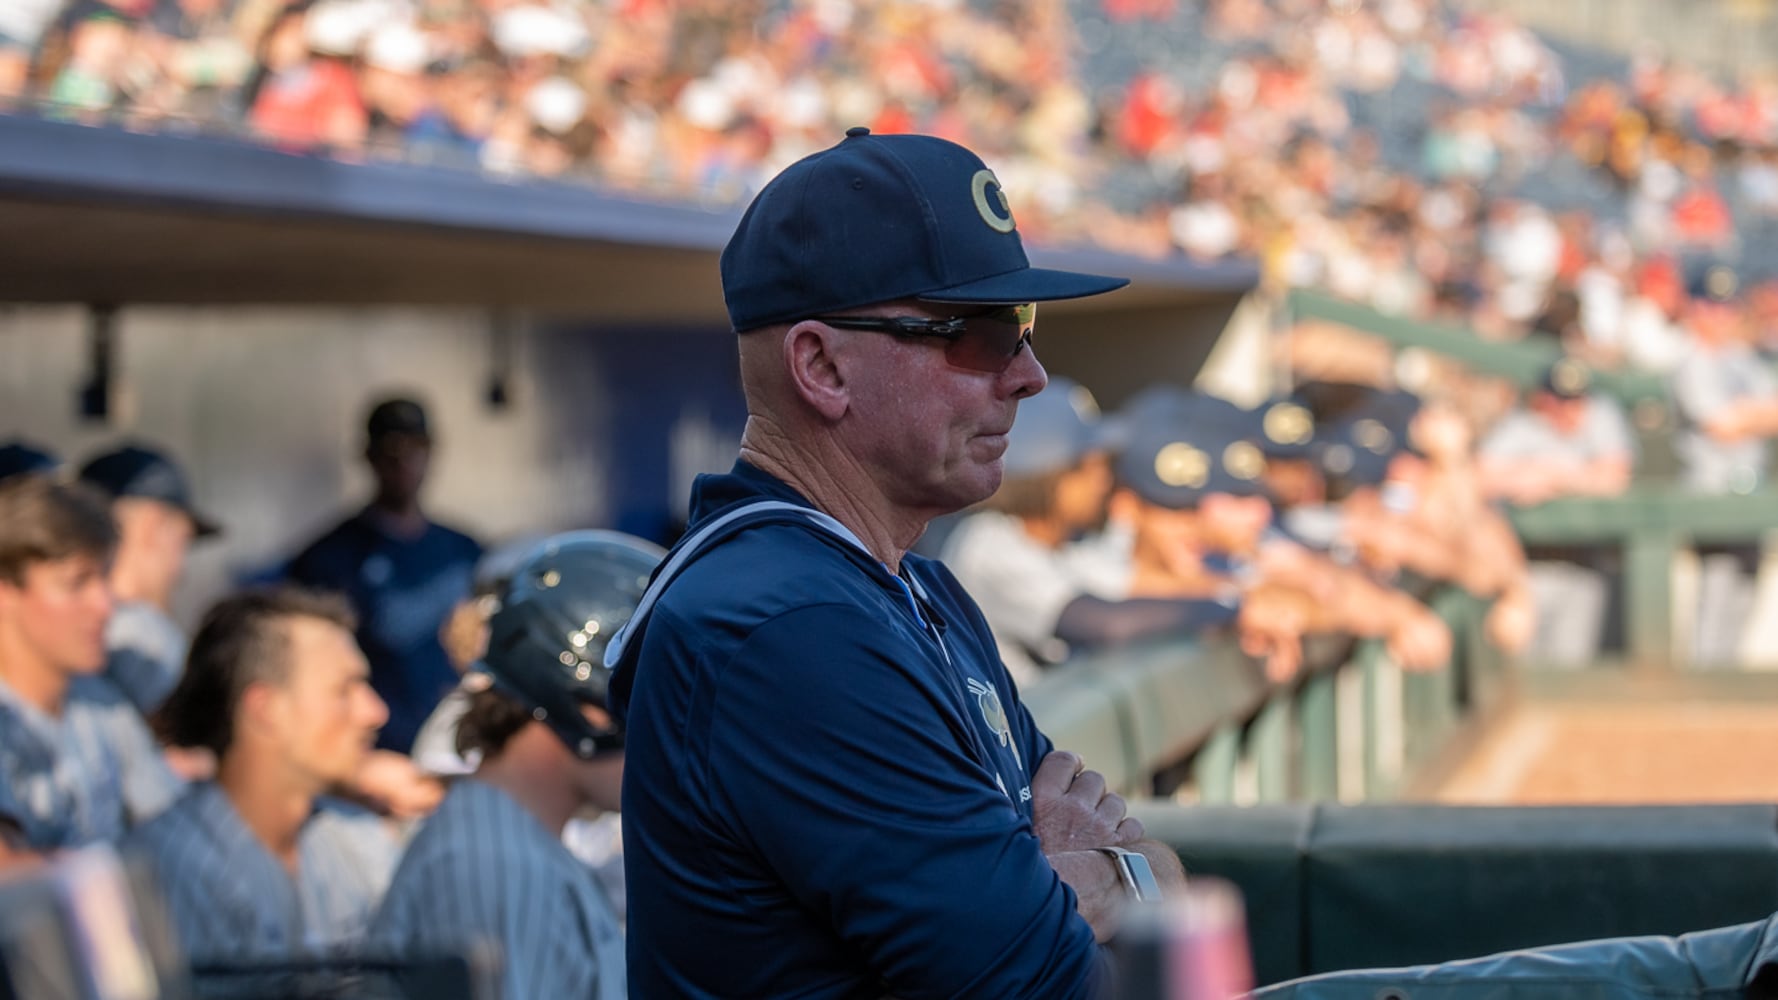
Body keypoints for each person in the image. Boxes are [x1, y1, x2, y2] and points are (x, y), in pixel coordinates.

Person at [608, 127, 1185, 999]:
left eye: (1023, 324)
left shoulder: (917, 589)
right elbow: (1060, 991)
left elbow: (1156, 894)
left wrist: (1120, 881)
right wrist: (1099, 884)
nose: (1029, 374)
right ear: (822, 365)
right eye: (981, 332)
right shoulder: (784, 625)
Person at [374, 531, 660, 1000]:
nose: (663, 739)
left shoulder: (510, 843)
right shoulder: (495, 865)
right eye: (648, 704)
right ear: (584, 702)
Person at [128, 588, 399, 961]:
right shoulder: (160, 873)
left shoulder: (361, 845)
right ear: (265, 710)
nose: (375, 712)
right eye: (343, 690)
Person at [941, 377, 1241, 683]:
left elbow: (1139, 584)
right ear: (1051, 475)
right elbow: (1108, 623)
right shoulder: (990, 545)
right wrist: (1237, 612)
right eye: (1090, 467)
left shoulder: (1067, 541)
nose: (1103, 482)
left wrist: (1245, 592)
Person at [0, 474, 181, 869]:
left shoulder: (102, 705)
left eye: (103, 578)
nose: (104, 604)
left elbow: (174, 829)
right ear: (5, 593)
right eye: (76, 583)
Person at [287, 396, 482, 753]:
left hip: (459, 748)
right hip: (370, 753)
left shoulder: (465, 551)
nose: (403, 461)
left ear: (432, 452)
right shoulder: (329, 558)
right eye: (391, 449)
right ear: (369, 456)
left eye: (415, 447)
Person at [1477, 360, 1635, 666]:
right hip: (1529, 563)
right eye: (1560, 400)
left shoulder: (1601, 414)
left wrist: (1552, 476)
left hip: (1587, 558)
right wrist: (1575, 476)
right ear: (1543, 399)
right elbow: (1481, 476)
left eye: (1576, 400)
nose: (1569, 410)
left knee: (1573, 666)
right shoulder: (1522, 425)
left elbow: (1616, 476)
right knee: (1526, 663)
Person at [77, 443, 223, 716]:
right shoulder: (143, 635)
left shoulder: (67, 628)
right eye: (184, 538)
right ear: (152, 527)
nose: (181, 566)